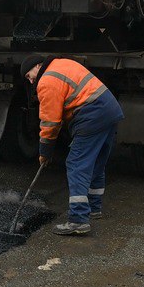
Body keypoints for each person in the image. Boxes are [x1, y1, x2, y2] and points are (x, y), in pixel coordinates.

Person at [20, 55, 124, 235]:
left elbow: (50, 123)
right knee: (97, 162)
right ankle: (94, 208)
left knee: (77, 165)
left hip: (92, 114)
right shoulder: (62, 64)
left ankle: (78, 220)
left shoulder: (47, 81)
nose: (30, 81)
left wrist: (44, 151)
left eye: (29, 75)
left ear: (38, 66)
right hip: (110, 109)